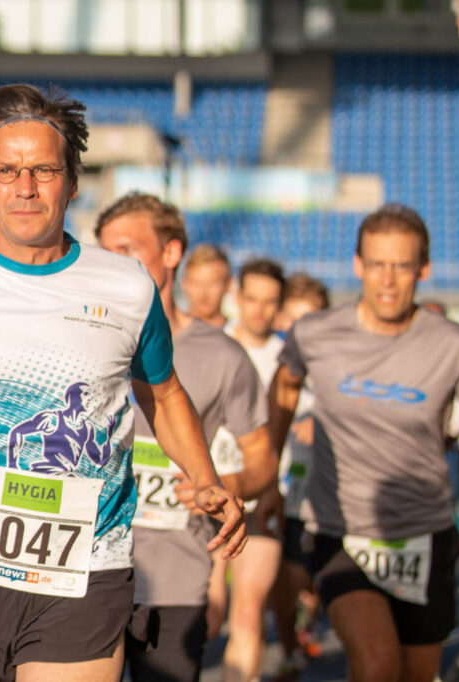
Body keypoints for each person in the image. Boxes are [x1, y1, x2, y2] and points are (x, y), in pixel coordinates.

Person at [0, 83, 247, 682]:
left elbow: (163, 392)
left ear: (72, 180)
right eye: (6, 170)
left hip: (88, 562)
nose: (24, 187)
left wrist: (205, 478)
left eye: (43, 170)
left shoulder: (126, 286)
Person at [269, 203, 459, 682]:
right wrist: (265, 476)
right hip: (343, 530)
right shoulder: (316, 333)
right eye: (377, 264)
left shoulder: (455, 345)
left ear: (423, 269)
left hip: (426, 534)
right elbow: (284, 385)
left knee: (415, 675)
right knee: (377, 665)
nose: (387, 280)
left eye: (402, 266)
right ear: (357, 264)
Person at [95, 192, 277, 681]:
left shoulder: (224, 357)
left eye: (129, 249)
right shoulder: (80, 344)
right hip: (87, 570)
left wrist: (224, 487)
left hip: (176, 579)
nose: (115, 264)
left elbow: (263, 458)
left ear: (171, 253)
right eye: (105, 251)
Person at [207, 258, 286, 681]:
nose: (259, 310)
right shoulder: (211, 345)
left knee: (249, 611)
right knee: (210, 609)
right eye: (251, 299)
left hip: (263, 499)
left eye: (270, 302)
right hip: (208, 495)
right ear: (236, 298)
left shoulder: (290, 360)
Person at [268, 273, 331, 679]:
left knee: (314, 580)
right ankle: (291, 648)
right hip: (286, 492)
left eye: (310, 320)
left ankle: (311, 617)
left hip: (326, 495)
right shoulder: (273, 361)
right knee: (286, 578)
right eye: (294, 319)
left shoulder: (333, 365)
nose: (299, 330)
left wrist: (321, 426)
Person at [181, 244, 232, 329]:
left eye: (212, 284)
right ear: (184, 284)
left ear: (228, 285)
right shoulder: (168, 335)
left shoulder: (239, 337)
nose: (203, 294)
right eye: (196, 284)